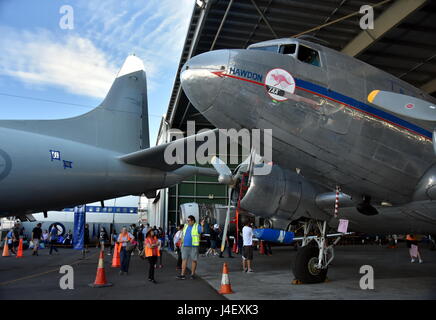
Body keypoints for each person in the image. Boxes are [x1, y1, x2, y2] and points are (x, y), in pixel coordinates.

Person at [177, 216, 205, 280]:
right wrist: (181, 242)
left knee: (194, 260)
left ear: (193, 221)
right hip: (185, 246)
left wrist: (202, 225)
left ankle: (192, 274)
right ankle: (182, 274)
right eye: (187, 220)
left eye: (189, 220)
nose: (187, 222)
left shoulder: (197, 226)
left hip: (194, 246)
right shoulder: (186, 226)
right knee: (184, 260)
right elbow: (183, 235)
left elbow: (202, 231)